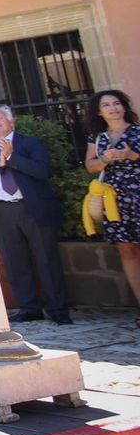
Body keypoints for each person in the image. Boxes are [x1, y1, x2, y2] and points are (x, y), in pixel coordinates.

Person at [0, 106, 71, 325]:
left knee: (47, 259)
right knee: (14, 261)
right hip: (2, 210)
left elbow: (42, 171)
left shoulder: (29, 143)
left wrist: (12, 157)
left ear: (11, 122)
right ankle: (29, 308)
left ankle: (58, 309)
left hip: (32, 207)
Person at [86, 90, 140, 326]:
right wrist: (106, 159)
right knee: (127, 251)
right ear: (99, 111)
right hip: (115, 199)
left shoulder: (137, 130)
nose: (113, 108)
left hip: (138, 191)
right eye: (106, 105)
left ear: (124, 106)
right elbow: (90, 167)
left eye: (116, 103)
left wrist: (131, 155)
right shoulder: (97, 138)